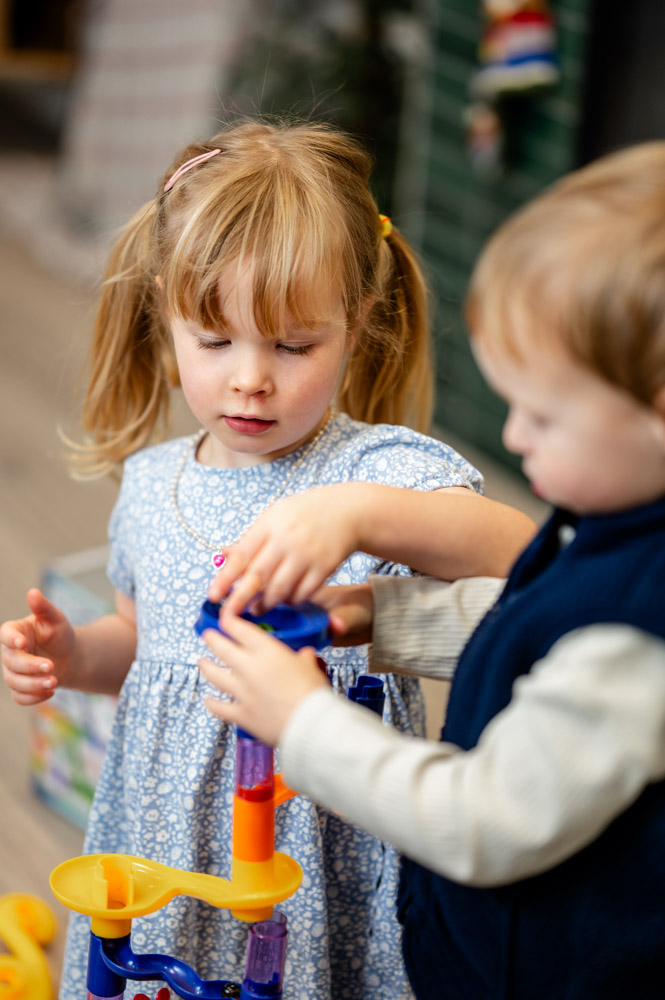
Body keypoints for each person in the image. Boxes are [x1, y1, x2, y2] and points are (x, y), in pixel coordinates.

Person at [0, 119, 535, 1000]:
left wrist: (359, 517)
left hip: (318, 851)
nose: (250, 378)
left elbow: (524, 558)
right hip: (168, 847)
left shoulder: (373, 471)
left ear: (357, 324)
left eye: (292, 346)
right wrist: (70, 658)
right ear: (163, 320)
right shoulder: (152, 482)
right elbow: (144, 644)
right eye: (214, 341)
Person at [197, 141, 665, 1000]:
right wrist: (379, 614)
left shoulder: (642, 633)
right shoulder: (621, 523)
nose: (515, 439)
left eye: (543, 414)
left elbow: (477, 820)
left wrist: (300, 723)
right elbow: (538, 624)